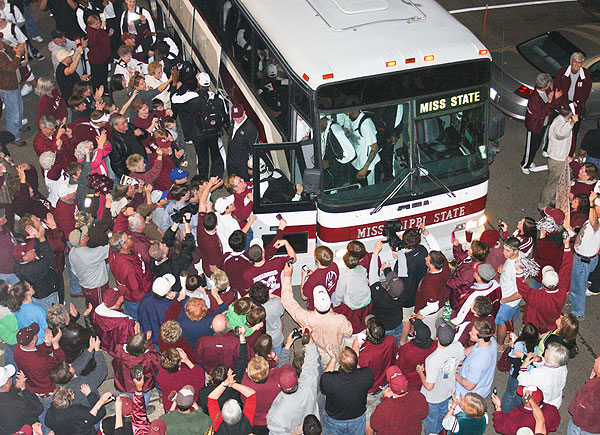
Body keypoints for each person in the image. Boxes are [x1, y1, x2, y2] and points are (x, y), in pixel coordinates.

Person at [280, 262, 352, 363]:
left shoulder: (306, 318)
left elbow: (287, 301)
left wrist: (287, 277)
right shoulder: (341, 319)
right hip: (336, 352)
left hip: (316, 354)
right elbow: (349, 333)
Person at [266, 332, 321, 435]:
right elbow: (312, 363)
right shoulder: (308, 385)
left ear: (279, 385)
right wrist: (309, 342)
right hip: (312, 427)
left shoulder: (275, 416)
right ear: (297, 378)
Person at [13, 323, 66, 431]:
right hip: (45, 391)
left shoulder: (18, 349)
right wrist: (55, 345)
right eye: (34, 334)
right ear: (33, 340)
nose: (36, 333)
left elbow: (36, 351)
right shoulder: (41, 361)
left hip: (31, 387)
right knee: (47, 417)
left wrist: (47, 345)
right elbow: (60, 365)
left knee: (38, 412)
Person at [416, 321, 465, 434]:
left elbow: (429, 386)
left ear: (436, 338)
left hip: (433, 397)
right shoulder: (458, 345)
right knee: (444, 415)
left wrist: (420, 372)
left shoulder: (432, 359)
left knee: (431, 421)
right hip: (448, 390)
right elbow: (461, 361)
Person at [516, 236, 572, 333]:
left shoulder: (537, 296)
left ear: (542, 282)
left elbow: (523, 289)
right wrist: (567, 246)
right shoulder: (562, 292)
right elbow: (566, 269)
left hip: (533, 325)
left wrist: (518, 271)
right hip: (550, 324)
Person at [320, 346, 374, 434]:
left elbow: (324, 376)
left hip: (335, 419)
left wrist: (333, 359)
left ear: (341, 365)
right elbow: (361, 371)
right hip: (357, 417)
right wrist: (354, 361)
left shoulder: (329, 380)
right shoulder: (367, 374)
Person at [367, 366, 428, 435]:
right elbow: (424, 414)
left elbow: (375, 425)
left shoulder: (385, 406)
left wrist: (386, 400)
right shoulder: (418, 396)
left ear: (390, 386)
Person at [538, 108, 577, 211]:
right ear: (570, 113)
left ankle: (553, 199)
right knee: (551, 184)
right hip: (557, 160)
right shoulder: (560, 123)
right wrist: (572, 123)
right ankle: (543, 206)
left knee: (557, 182)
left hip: (560, 158)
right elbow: (561, 134)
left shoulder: (562, 121)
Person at [108, 231, 154, 319]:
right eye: (128, 238)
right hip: (136, 299)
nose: (130, 237)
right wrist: (147, 297)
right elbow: (136, 292)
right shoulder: (128, 269)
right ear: (123, 246)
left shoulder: (115, 251)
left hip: (128, 293)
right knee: (138, 318)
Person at [554, 52, 592, 156]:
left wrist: (577, 103)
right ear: (571, 62)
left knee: (573, 131)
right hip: (563, 107)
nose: (577, 65)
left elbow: (586, 92)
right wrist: (562, 103)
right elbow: (557, 89)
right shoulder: (562, 72)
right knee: (557, 127)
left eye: (580, 63)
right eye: (575, 62)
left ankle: (570, 152)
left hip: (576, 108)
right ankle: (549, 148)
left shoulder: (585, 75)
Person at [521, 73, 560, 174]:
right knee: (531, 146)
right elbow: (542, 113)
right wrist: (550, 101)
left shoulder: (547, 91)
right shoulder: (534, 99)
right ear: (546, 85)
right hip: (534, 126)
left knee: (536, 145)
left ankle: (529, 161)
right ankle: (525, 164)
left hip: (543, 124)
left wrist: (554, 99)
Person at [570, 192, 600, 319]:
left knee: (578, 287)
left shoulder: (597, 223)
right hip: (583, 258)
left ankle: (577, 313)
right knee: (577, 284)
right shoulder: (593, 218)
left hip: (583, 261)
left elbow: (593, 223)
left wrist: (592, 204)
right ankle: (574, 304)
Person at [112, 332, 160, 404]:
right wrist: (149, 342)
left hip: (122, 386)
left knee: (126, 404)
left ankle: (129, 413)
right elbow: (157, 362)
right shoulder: (147, 359)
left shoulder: (119, 350)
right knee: (141, 404)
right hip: (142, 388)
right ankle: (143, 411)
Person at [517, 342, 569, 409]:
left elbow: (523, 382)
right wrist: (539, 360)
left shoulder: (538, 373)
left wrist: (524, 366)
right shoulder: (562, 367)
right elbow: (549, 364)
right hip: (555, 401)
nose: (546, 350)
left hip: (542, 404)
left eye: (548, 351)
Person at [45, 385, 113, 435]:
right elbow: (101, 412)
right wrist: (89, 394)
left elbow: (47, 423)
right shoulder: (77, 411)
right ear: (69, 399)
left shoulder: (51, 410)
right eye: (72, 393)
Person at [455, 320, 497, 399]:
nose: (469, 333)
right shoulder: (491, 341)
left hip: (467, 396)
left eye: (473, 333)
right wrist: (458, 356)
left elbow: (469, 385)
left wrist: (455, 375)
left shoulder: (478, 361)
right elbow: (473, 349)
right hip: (483, 385)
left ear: (481, 338)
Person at [492, 385, 561, 434]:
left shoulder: (516, 415)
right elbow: (550, 425)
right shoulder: (552, 410)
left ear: (526, 402)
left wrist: (498, 406)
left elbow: (500, 427)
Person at [207, 368, 257, 434]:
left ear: (222, 415)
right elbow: (251, 393)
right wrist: (232, 384)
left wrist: (225, 383)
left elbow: (211, 398)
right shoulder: (246, 422)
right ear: (240, 411)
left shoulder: (219, 425)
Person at [156, 348, 205, 413]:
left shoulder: (161, 373)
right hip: (188, 406)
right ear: (180, 362)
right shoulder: (188, 375)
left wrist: (172, 356)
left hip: (170, 407)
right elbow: (201, 377)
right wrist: (187, 361)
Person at [0, 364, 43, 435]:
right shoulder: (17, 404)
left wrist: (16, 387)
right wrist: (24, 389)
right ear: (7, 384)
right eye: (10, 377)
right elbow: (38, 408)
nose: (11, 378)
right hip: (18, 428)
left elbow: (4, 393)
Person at [92, 287, 136, 356]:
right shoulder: (125, 323)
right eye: (120, 295)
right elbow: (126, 340)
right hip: (118, 350)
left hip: (105, 343)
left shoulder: (96, 313)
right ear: (118, 301)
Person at [497, 237, 522, 352]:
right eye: (504, 249)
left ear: (515, 251)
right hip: (508, 299)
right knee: (507, 320)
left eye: (507, 250)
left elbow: (520, 292)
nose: (504, 252)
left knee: (501, 323)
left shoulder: (515, 268)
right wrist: (503, 270)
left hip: (508, 301)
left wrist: (504, 301)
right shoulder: (515, 258)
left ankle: (500, 344)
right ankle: (506, 337)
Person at [395, 317, 434, 391]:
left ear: (415, 333)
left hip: (410, 381)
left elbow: (399, 365)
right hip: (425, 377)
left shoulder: (406, 350)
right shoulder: (435, 345)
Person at [0, 39, 27, 146]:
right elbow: (10, 67)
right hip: (8, 88)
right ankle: (14, 136)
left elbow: (12, 52)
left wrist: (16, 50)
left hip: (14, 84)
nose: (2, 41)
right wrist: (18, 54)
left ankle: (19, 125)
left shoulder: (3, 47)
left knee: (19, 108)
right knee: (13, 113)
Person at [568, 355, 600, 435]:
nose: (595, 359)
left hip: (585, 429)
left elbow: (578, 410)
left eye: (598, 360)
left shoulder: (591, 390)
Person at [300, 245, 339, 310]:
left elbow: (304, 297)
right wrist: (316, 272)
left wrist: (303, 278)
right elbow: (325, 274)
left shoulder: (313, 279)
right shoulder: (334, 265)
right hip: (331, 299)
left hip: (317, 307)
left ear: (316, 259)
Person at [227, 104, 258, 180]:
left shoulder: (250, 129)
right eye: (235, 117)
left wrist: (250, 167)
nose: (237, 119)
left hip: (242, 165)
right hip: (231, 161)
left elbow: (253, 149)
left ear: (244, 113)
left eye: (239, 117)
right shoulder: (233, 122)